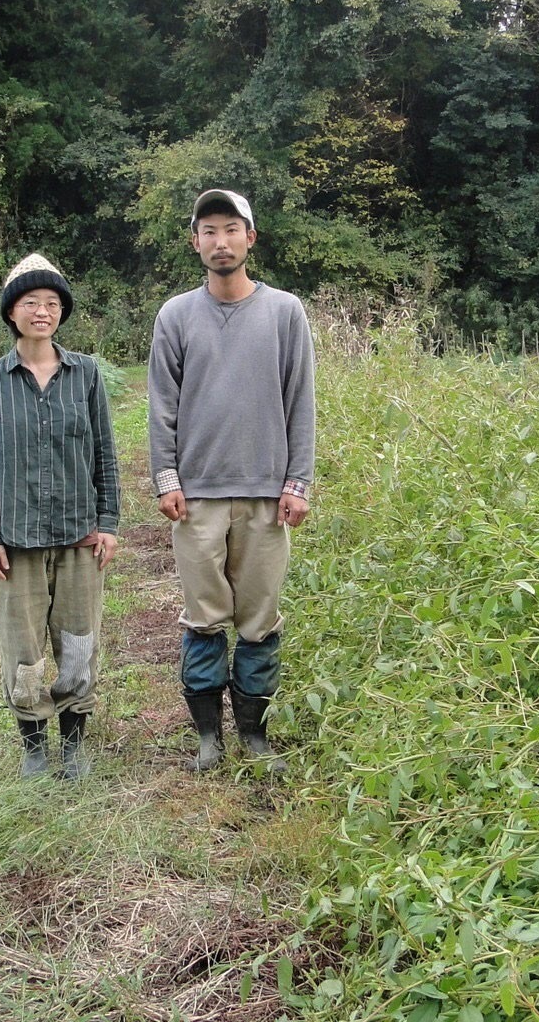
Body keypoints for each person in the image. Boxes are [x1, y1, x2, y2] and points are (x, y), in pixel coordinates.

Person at [148, 189, 315, 774]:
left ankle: (255, 734)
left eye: (231, 229)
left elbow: (300, 402)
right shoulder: (176, 315)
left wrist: (299, 481)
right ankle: (207, 737)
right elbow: (162, 406)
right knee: (204, 615)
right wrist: (166, 478)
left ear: (251, 237)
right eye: (208, 230)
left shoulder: (285, 311)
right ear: (195, 241)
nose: (220, 241)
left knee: (260, 617)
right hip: (196, 497)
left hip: (268, 494)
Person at [0, 253, 120, 780]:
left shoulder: (86, 373)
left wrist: (109, 521)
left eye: (52, 303)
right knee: (23, 648)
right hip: (17, 540)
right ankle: (34, 745)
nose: (42, 312)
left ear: (62, 313)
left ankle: (73, 743)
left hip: (80, 534)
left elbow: (105, 451)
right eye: (31, 303)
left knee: (79, 642)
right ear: (12, 313)